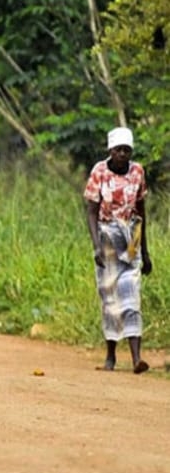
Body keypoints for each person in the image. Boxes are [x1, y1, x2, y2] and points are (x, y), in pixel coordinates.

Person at [84, 127, 151, 374]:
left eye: (127, 150)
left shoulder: (137, 172)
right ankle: (111, 355)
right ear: (110, 151)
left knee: (131, 293)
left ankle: (136, 359)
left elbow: (142, 210)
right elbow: (91, 211)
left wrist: (145, 251)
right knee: (110, 295)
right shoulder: (99, 172)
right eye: (118, 150)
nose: (122, 155)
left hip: (131, 235)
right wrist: (96, 246)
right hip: (107, 235)